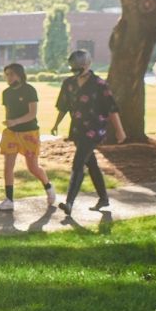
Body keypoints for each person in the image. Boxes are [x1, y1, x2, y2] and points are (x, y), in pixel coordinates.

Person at [52, 50, 125, 214]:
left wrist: (120, 131)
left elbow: (112, 109)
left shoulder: (99, 84)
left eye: (77, 67)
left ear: (86, 65)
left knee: (78, 163)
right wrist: (56, 124)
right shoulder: (68, 83)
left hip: (94, 130)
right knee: (91, 163)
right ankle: (104, 198)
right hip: (77, 129)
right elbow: (63, 107)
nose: (74, 70)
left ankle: (69, 202)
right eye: (72, 67)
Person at [0, 63, 57, 211]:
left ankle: (48, 186)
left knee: (33, 167)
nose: (8, 78)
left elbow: (32, 114)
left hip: (29, 133)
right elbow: (9, 113)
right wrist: (10, 124)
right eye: (6, 75)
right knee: (8, 166)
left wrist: (16, 121)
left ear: (19, 74)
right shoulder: (6, 93)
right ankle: (9, 200)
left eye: (11, 74)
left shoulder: (29, 90)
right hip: (11, 133)